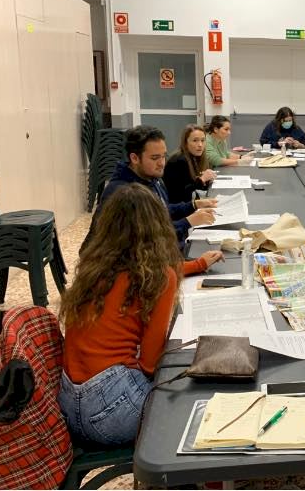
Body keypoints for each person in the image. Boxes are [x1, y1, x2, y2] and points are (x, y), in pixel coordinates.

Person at [59, 184, 221, 446]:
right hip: (112, 408)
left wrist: (197, 264)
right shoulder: (160, 278)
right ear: (158, 227)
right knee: (192, 404)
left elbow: (149, 270)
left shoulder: (96, 267)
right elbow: (149, 363)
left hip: (70, 405)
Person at [83, 125, 217, 250]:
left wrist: (193, 205)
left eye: (163, 156)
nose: (162, 163)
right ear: (135, 158)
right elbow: (149, 237)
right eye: (154, 158)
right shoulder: (125, 193)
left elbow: (162, 210)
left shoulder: (151, 178)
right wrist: (188, 221)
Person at [163, 124, 218, 204]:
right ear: (185, 143)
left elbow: (193, 185)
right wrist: (202, 180)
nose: (200, 145)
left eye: (203, 140)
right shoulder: (179, 161)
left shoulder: (194, 157)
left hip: (189, 203)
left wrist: (207, 180)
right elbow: (179, 194)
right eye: (195, 140)